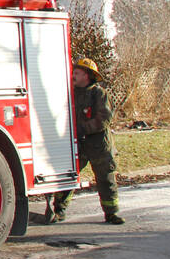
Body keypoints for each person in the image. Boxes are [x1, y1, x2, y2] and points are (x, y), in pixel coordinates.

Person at [50, 56, 124, 225]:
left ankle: (111, 213)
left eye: (77, 72)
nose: (73, 75)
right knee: (68, 175)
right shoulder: (70, 93)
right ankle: (59, 210)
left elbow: (103, 119)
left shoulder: (99, 94)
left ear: (87, 76)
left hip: (99, 145)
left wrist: (81, 129)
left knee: (106, 179)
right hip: (79, 144)